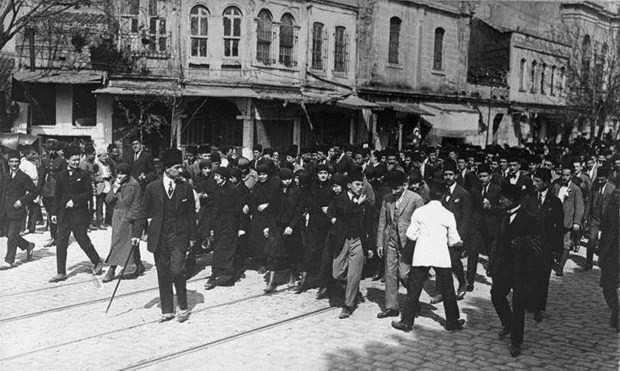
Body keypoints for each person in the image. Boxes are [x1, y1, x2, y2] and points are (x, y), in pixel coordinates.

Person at [391, 181, 465, 332]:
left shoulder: (420, 212)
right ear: (444, 196)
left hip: (422, 255)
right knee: (448, 289)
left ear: (428, 196)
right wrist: (457, 242)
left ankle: (406, 322)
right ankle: (452, 321)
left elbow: (410, 235)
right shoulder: (448, 214)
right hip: (441, 256)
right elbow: (454, 240)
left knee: (414, 289)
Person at [139, 148, 197, 322]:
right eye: (177, 167)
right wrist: (136, 234)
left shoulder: (185, 187)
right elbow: (143, 212)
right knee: (163, 272)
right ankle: (167, 309)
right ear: (167, 168)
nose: (180, 171)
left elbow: (191, 215)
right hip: (159, 237)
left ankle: (183, 306)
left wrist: (193, 237)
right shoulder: (152, 188)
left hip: (179, 236)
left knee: (178, 270)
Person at [489, 184, 543, 357]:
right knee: (496, 295)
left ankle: (516, 342)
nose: (499, 200)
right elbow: (497, 241)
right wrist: (492, 263)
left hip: (522, 269)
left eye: (503, 198)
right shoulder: (503, 215)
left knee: (518, 305)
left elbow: (538, 244)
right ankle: (508, 323)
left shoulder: (530, 218)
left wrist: (523, 243)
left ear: (512, 200)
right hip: (503, 267)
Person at [49, 145, 104, 282]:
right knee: (61, 242)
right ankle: (61, 272)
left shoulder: (83, 174)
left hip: (79, 213)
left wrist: (75, 201)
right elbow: (57, 195)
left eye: (77, 159)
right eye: (73, 160)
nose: (76, 162)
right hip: (64, 214)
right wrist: (54, 213)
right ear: (67, 160)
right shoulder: (61, 176)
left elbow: (88, 193)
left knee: (82, 240)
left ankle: (97, 261)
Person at [376, 169, 424, 319]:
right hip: (390, 240)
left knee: (404, 274)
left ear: (405, 184)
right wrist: (379, 244)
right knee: (390, 274)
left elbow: (422, 224)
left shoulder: (416, 199)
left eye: (396, 188)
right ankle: (392, 307)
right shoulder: (387, 199)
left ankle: (413, 301)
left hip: (408, 243)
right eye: (391, 188)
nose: (393, 191)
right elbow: (382, 222)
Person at [327, 168, 373, 319]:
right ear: (349, 185)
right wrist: (357, 205)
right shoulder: (339, 199)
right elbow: (343, 213)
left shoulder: (364, 202)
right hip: (342, 240)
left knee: (354, 275)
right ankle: (351, 289)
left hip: (358, 241)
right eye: (357, 184)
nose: (360, 187)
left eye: (361, 184)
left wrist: (370, 246)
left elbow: (368, 225)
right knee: (337, 273)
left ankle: (348, 304)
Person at [522, 168, 563, 322]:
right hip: (530, 244)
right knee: (529, 274)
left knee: (543, 277)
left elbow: (558, 227)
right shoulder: (528, 198)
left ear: (546, 183)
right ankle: (529, 304)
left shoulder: (555, 202)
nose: (534, 184)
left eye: (538, 181)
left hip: (546, 246)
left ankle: (540, 308)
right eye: (534, 180)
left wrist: (557, 250)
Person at [102, 163, 144, 283]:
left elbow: (136, 204)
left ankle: (112, 269)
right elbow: (108, 200)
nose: (120, 176)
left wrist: (128, 218)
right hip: (117, 215)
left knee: (119, 242)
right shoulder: (117, 183)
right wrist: (114, 188)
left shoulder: (135, 185)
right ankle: (138, 264)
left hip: (128, 217)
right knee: (124, 242)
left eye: (123, 173)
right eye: (118, 173)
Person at [263, 167, 303, 293]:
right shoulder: (276, 191)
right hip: (276, 226)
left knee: (291, 253)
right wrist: (267, 226)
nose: (287, 181)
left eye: (289, 179)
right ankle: (271, 281)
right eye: (284, 179)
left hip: (291, 227)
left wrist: (291, 226)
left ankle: (291, 277)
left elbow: (298, 212)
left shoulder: (296, 192)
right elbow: (270, 210)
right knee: (273, 253)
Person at [204, 166, 243, 290]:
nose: (215, 178)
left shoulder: (233, 189)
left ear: (223, 177)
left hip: (231, 223)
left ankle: (228, 275)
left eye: (217, 176)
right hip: (219, 223)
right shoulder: (217, 188)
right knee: (218, 248)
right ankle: (216, 272)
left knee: (228, 248)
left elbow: (238, 209)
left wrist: (240, 227)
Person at [438, 161, 471, 302]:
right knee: (440, 262)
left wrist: (460, 237)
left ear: (456, 175)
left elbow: (466, 217)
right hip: (441, 234)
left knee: (454, 261)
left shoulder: (463, 194)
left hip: (456, 234)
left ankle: (463, 282)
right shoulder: (441, 192)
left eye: (450, 174)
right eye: (445, 174)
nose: (448, 177)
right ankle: (441, 291)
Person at [0, 150, 37, 269]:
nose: (14, 164)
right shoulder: (5, 176)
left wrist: (22, 200)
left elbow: (34, 191)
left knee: (12, 235)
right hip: (5, 210)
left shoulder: (24, 177)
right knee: (7, 233)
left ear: (19, 162)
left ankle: (9, 260)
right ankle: (27, 245)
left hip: (17, 211)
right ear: (8, 162)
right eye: (11, 162)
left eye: (16, 162)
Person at [467, 164, 502, 291]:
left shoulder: (497, 189)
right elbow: (472, 207)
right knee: (472, 252)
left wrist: (491, 207)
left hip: (492, 226)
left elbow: (503, 208)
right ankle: (469, 282)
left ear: (490, 176)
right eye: (480, 176)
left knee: (493, 254)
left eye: (484, 176)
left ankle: (495, 280)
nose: (482, 179)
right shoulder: (475, 189)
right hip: (477, 225)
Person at [552, 161, 584, 276]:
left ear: (571, 176)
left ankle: (560, 267)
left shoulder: (575, 189)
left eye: (567, 175)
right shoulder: (556, 186)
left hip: (567, 220)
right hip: (555, 219)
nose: (564, 177)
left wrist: (577, 222)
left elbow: (579, 206)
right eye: (563, 175)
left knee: (566, 243)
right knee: (555, 241)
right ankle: (555, 258)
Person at [584, 167, 615, 270]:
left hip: (607, 218)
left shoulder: (612, 188)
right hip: (595, 217)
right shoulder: (595, 186)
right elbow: (589, 202)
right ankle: (589, 262)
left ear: (607, 178)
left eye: (602, 179)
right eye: (599, 179)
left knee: (605, 241)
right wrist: (585, 216)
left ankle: (602, 261)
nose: (600, 181)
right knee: (591, 239)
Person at [598, 189, 619, 332]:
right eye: (617, 193)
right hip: (611, 254)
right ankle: (615, 309)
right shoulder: (610, 210)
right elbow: (604, 232)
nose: (618, 196)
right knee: (607, 285)